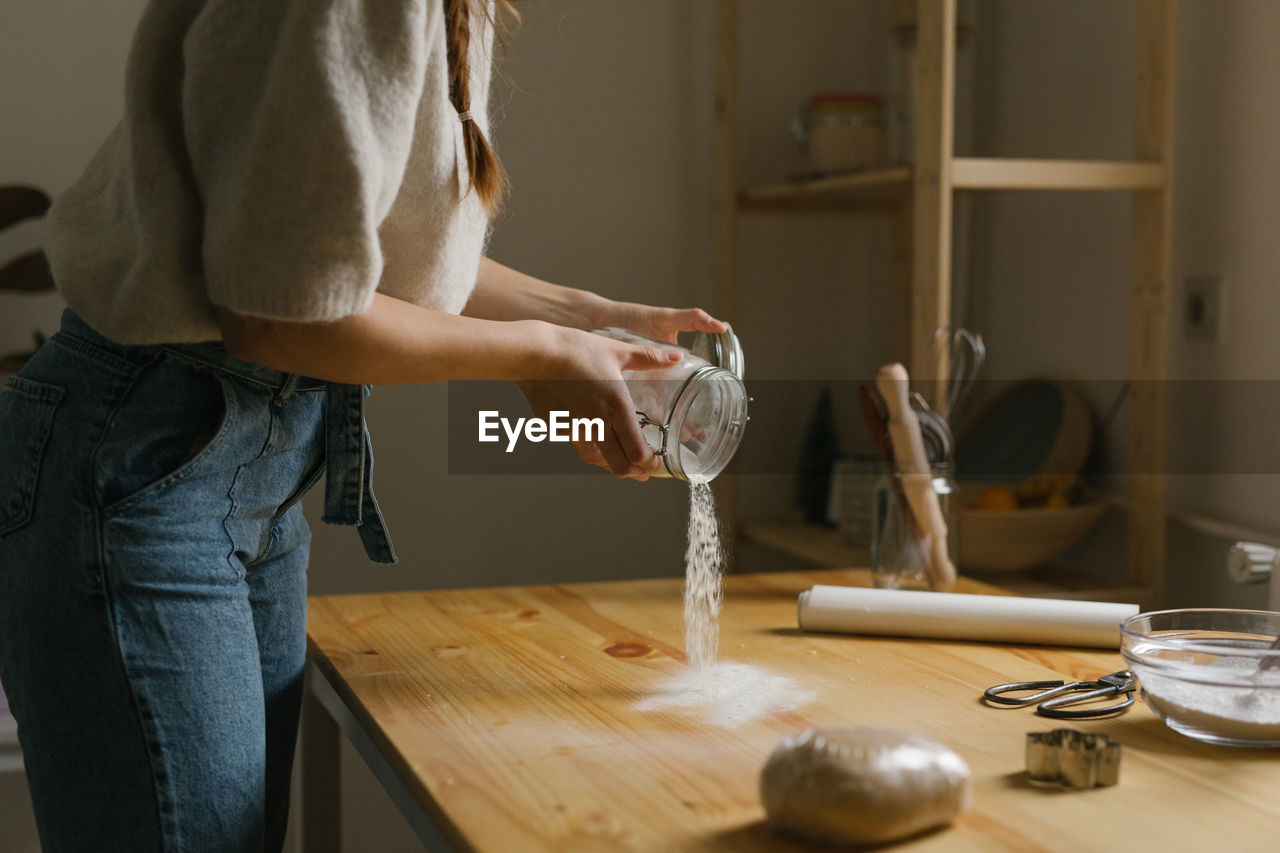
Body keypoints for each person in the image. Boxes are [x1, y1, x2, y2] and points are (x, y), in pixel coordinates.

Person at [0, 1, 724, 850]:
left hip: (250, 467)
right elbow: (282, 314)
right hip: (140, 462)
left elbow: (330, 241)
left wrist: (578, 318)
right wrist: (537, 352)